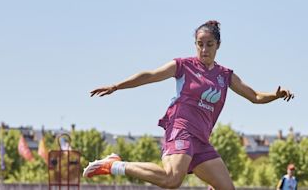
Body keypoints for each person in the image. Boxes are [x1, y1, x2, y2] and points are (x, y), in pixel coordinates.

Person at [83, 20, 294, 189]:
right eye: (199, 44)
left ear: (218, 45)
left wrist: (276, 95)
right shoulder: (183, 66)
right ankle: (114, 165)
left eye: (209, 44)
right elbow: (150, 75)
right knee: (172, 179)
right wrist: (117, 85)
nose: (204, 49)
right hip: (181, 129)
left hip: (201, 140)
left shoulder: (225, 75)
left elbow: (255, 96)